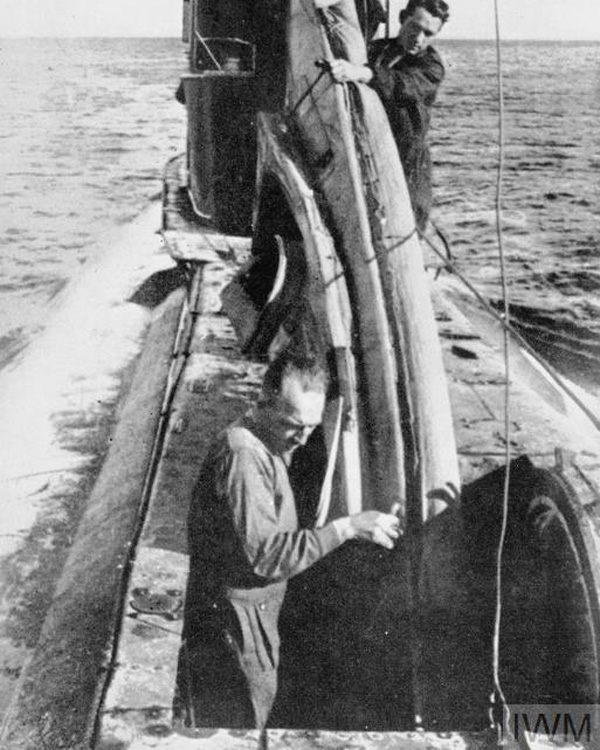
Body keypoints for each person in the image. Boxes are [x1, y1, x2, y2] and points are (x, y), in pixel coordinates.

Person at [175, 350, 400, 731]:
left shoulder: (273, 442)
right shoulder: (243, 457)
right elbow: (266, 555)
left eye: (312, 428)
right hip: (238, 621)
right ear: (262, 402)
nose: (303, 438)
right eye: (293, 425)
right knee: (245, 720)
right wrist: (346, 528)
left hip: (258, 613)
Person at [328, 0, 450, 232]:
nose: (419, 38)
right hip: (366, 148)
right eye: (415, 27)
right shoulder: (376, 50)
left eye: (428, 33)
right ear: (403, 18)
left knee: (405, 232)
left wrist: (364, 73)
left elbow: (403, 84)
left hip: (407, 162)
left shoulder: (431, 67)